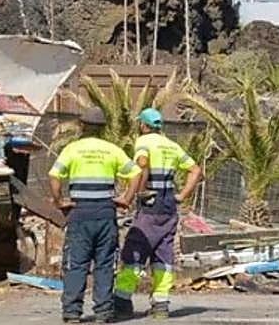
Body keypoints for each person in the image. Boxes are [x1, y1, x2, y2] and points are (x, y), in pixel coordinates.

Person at [49, 116, 143, 324]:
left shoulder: (72, 149)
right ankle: (103, 312)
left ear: (82, 126)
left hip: (80, 214)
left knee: (76, 264)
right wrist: (126, 198)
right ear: (103, 128)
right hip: (105, 215)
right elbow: (136, 173)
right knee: (105, 264)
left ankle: (72, 313)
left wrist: (59, 201)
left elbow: (54, 176)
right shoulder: (112, 150)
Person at [113, 108, 203, 320]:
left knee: (135, 250)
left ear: (143, 125)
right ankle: (161, 304)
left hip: (151, 205)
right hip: (169, 204)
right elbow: (196, 170)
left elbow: (142, 163)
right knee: (163, 253)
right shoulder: (172, 145)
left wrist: (140, 192)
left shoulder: (144, 142)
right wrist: (181, 195)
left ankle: (122, 301)